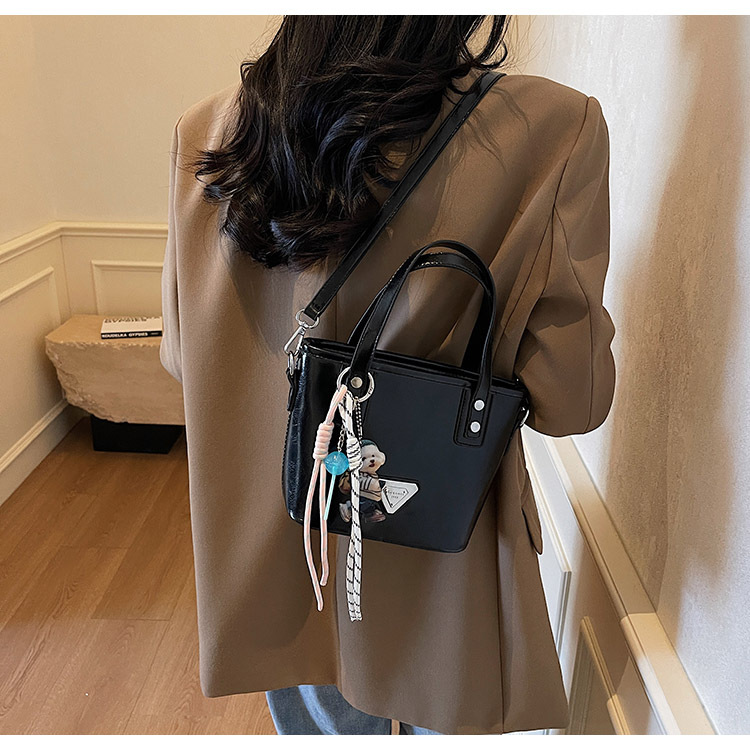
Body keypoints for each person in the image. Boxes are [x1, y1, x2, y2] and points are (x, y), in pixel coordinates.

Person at [160, 15, 616, 735]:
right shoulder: (555, 129)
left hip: (286, 554)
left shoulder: (209, 132)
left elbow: (182, 357)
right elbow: (573, 401)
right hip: (444, 567)